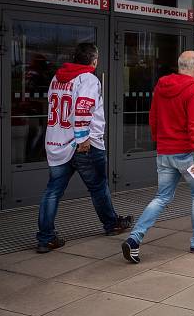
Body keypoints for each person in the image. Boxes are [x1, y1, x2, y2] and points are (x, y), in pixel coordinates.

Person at [122, 51, 194, 264]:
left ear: (180, 65)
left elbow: (153, 116)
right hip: (187, 153)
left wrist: (160, 141)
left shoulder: (161, 85)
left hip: (165, 151)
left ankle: (134, 238)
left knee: (162, 197)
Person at [36, 43, 132, 253]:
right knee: (98, 187)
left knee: (53, 191)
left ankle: (45, 238)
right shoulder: (88, 78)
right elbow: (82, 108)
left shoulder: (57, 77)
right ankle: (112, 224)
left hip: (57, 143)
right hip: (84, 145)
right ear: (93, 60)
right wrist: (82, 139)